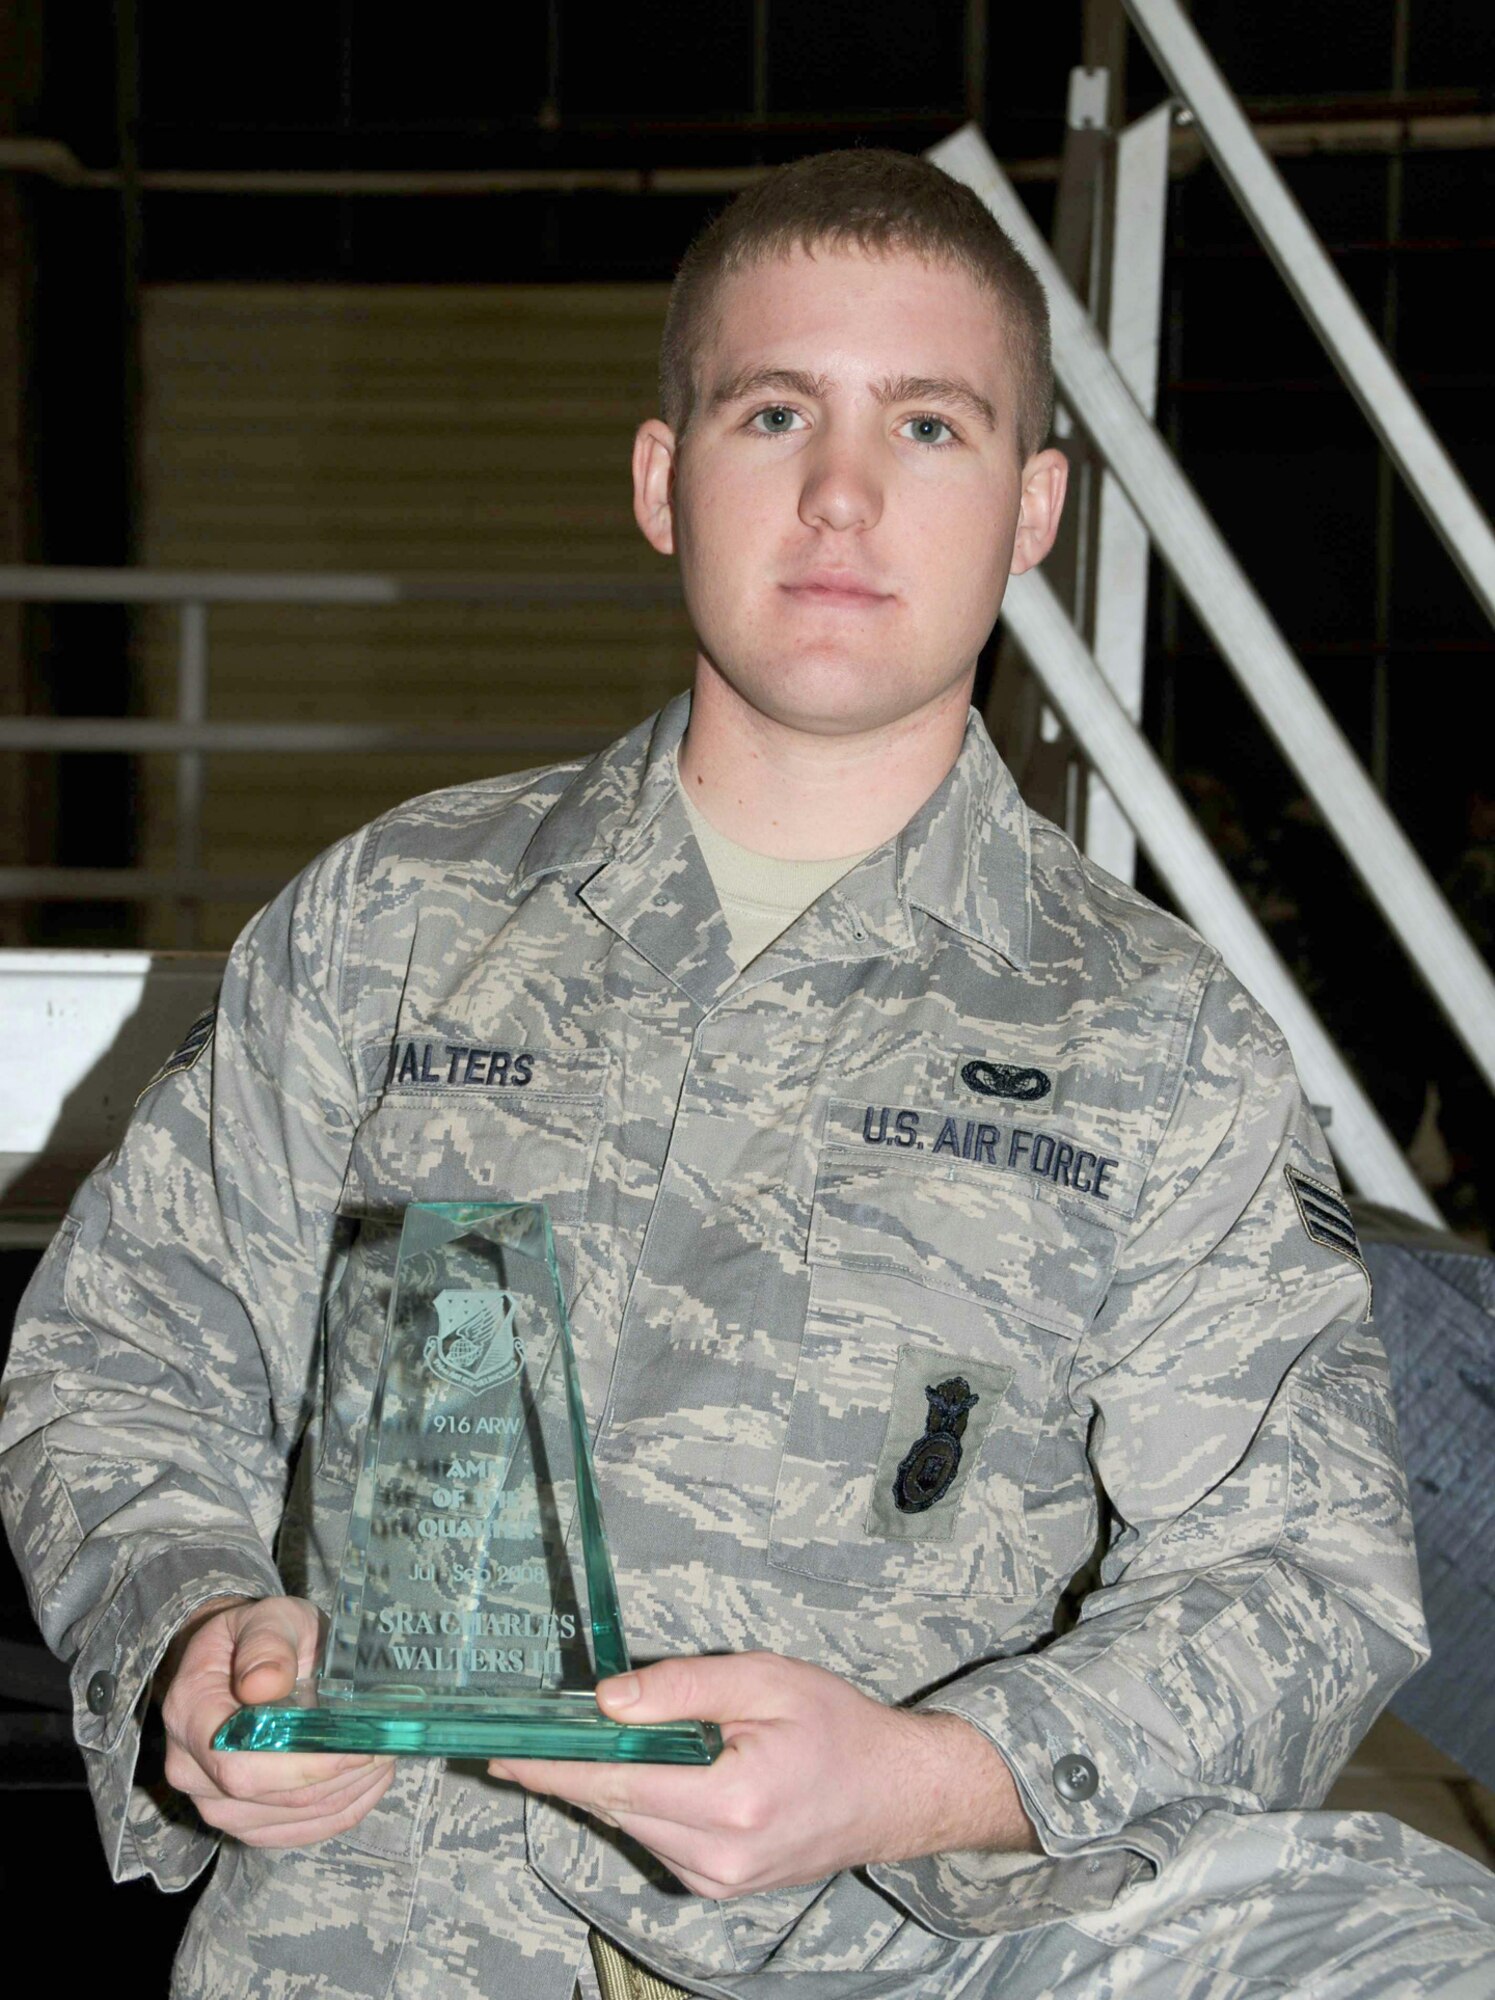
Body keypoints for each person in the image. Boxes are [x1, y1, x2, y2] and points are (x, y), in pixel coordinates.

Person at [3, 149, 1492, 2000]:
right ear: (662, 479)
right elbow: (131, 1352)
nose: (845, 492)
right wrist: (198, 1635)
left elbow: (1299, 1575)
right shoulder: (398, 926)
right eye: (775, 409)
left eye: (930, 426)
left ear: (1035, 510)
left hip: (926, 1935)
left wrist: (927, 1779)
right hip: (410, 1908)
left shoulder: (1157, 1041)